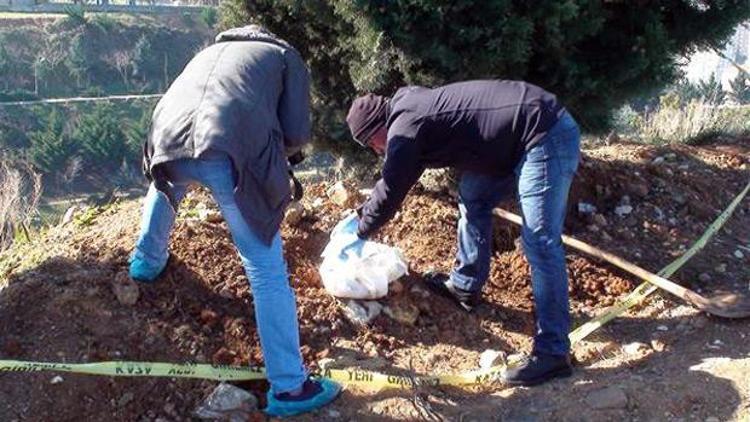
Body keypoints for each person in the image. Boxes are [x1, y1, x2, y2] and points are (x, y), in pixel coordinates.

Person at [129, 25, 340, 417]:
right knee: (264, 269)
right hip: (225, 147)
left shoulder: (208, 52)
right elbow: (295, 132)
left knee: (169, 183)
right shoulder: (283, 55)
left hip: (164, 140)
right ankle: (291, 388)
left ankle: (145, 261)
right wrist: (275, 163)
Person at [345, 80, 581, 386]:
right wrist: (362, 215)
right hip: (511, 141)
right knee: (474, 195)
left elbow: (390, 190)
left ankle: (553, 353)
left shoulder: (405, 128)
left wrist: (356, 233)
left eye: (371, 143)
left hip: (544, 134)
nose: (376, 150)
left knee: (539, 242)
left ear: (379, 126)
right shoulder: (407, 113)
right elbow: (399, 175)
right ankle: (464, 285)